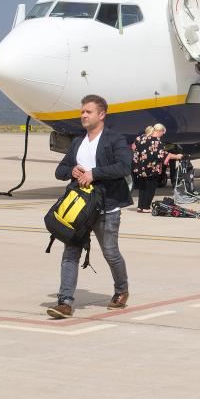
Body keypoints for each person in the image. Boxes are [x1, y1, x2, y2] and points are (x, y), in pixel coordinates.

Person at [48, 94, 132, 319]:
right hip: (80, 209)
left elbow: (125, 166)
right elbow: (59, 171)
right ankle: (65, 302)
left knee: (110, 253)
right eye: (82, 112)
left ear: (101, 114)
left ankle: (121, 290)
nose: (84, 115)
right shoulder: (78, 142)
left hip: (107, 207)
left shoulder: (114, 139)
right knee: (70, 253)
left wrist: (94, 174)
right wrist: (72, 170)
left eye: (88, 112)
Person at [132, 125, 163, 212]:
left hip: (141, 167)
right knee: (151, 188)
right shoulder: (157, 141)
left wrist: (136, 165)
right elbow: (160, 156)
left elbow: (135, 151)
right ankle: (146, 207)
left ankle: (140, 206)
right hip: (152, 168)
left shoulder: (139, 139)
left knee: (142, 187)